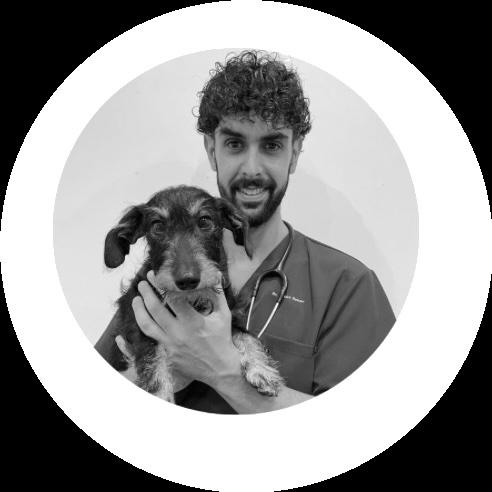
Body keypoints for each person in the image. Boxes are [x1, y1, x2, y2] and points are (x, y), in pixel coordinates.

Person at [95, 50, 396, 414]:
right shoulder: (155, 283)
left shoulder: (349, 286)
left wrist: (221, 371)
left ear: (294, 153)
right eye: (235, 144)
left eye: (272, 145)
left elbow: (368, 423)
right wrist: (145, 381)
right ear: (212, 150)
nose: (252, 169)